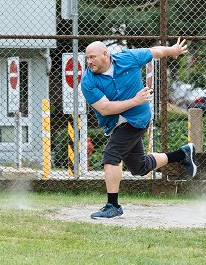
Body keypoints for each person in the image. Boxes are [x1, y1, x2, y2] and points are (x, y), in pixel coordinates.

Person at [81, 39, 197, 219]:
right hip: (115, 123)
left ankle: (113, 205)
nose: (89, 61)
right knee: (139, 167)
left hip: (137, 119)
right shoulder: (88, 81)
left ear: (105, 54)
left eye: (92, 57)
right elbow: (105, 108)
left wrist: (172, 50)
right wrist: (135, 100)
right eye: (87, 58)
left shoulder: (128, 58)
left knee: (111, 156)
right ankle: (182, 155)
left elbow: (155, 51)